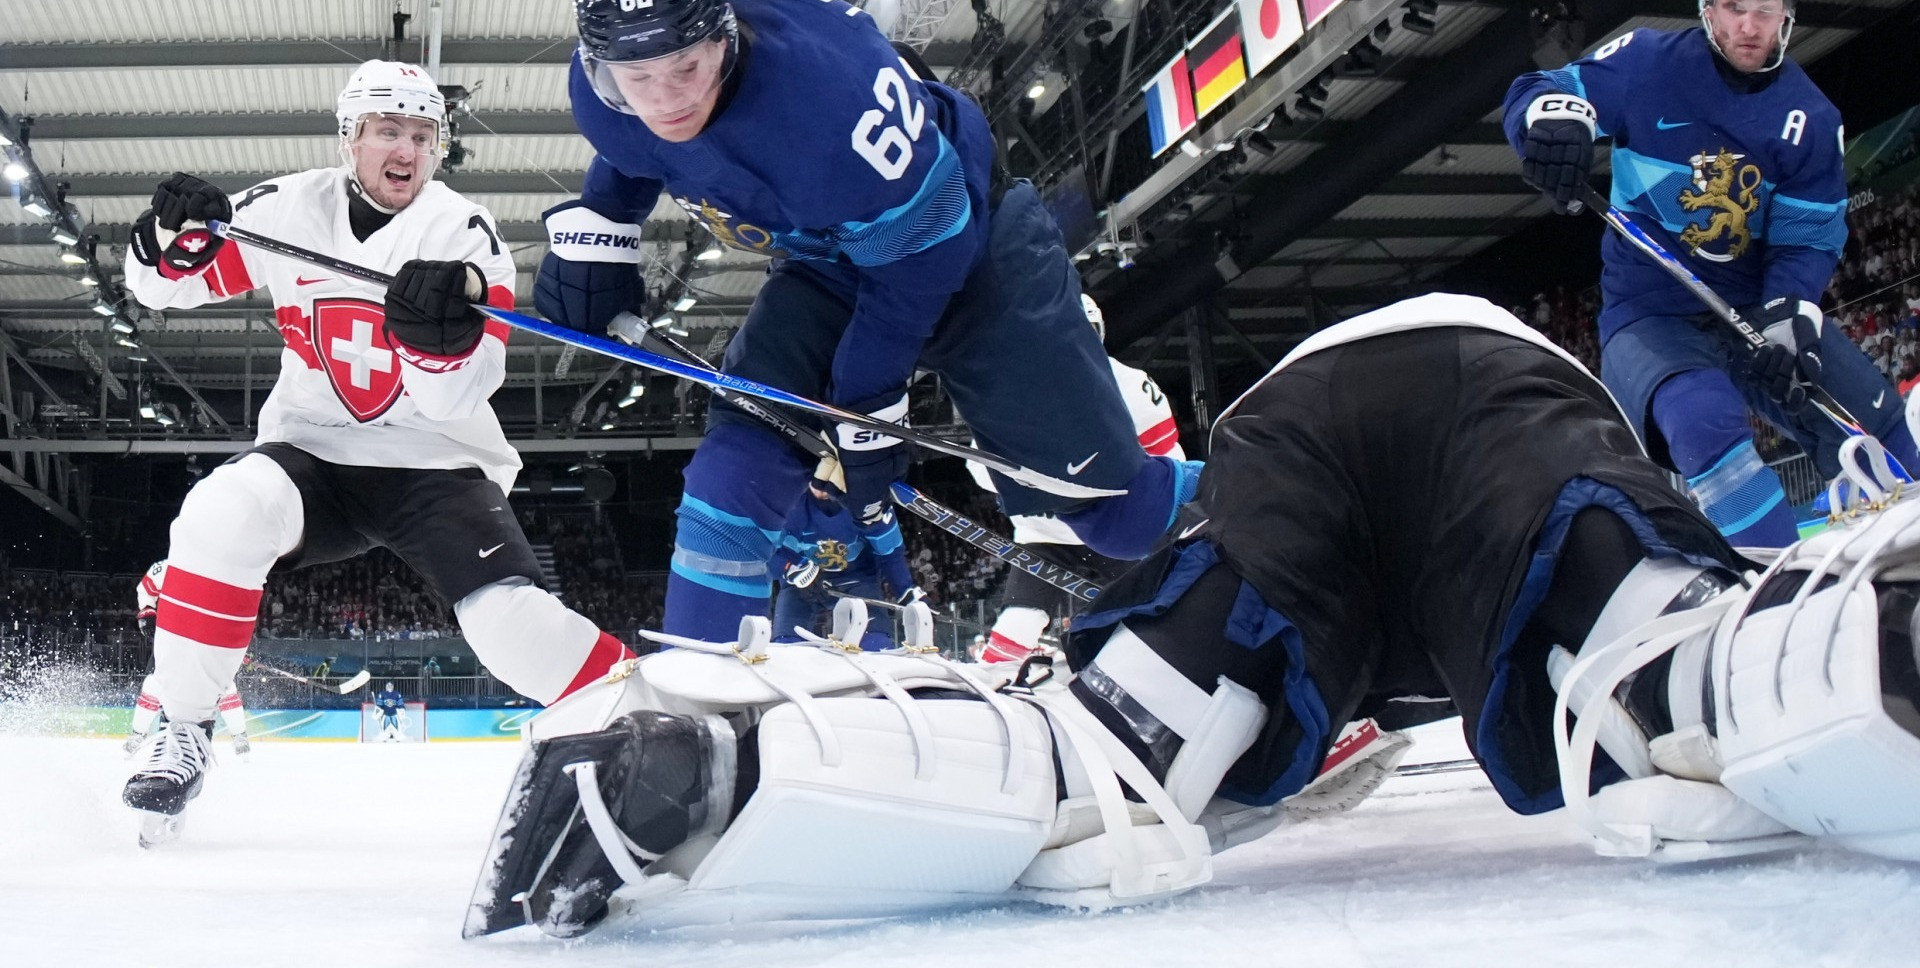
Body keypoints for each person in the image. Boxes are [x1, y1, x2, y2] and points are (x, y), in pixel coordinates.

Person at [464, 292, 1920, 939]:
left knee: (1115, 758)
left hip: (1329, 404)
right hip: (1492, 378)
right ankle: (1873, 637)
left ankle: (702, 764)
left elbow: (1105, 708)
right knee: (1668, 686)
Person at [533, 0, 1201, 643]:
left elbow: (928, 256)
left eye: (686, 68)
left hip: (970, 247)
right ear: (599, 63)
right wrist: (602, 230)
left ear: (723, 35)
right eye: (636, 78)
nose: (665, 100)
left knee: (1121, 517)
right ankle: (695, 706)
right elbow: (633, 153)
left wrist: (870, 401)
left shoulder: (826, 103)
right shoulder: (605, 94)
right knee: (736, 467)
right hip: (833, 258)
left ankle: (1297, 504)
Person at [118, 59, 634, 845]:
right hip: (311, 455)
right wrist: (165, 239)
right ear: (348, 137)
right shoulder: (287, 206)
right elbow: (162, 291)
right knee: (223, 509)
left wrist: (438, 344)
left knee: (510, 629)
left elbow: (456, 398)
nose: (408, 149)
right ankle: (181, 728)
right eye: (388, 131)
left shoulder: (464, 234)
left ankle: (649, 715)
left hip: (435, 461)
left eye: (424, 136)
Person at [1503, 0, 1920, 549]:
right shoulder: (1646, 64)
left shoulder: (1811, 120)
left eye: (1765, 6)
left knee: (1880, 422)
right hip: (1651, 315)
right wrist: (1549, 123)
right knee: (1704, 421)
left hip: (1753, 305)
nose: (1749, 25)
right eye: (1733, 6)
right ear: (1707, 5)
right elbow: (1544, 88)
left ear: (1786, 10)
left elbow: (1806, 237)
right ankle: (1770, 594)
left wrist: (1787, 320)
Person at [966, 294, 1187, 634]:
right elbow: (1167, 453)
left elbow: (1166, 453)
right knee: (1024, 616)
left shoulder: (1014, 391)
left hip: (1096, 526)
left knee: (1150, 615)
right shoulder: (1121, 380)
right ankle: (999, 671)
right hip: (1095, 528)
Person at [125, 561, 250, 759]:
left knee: (224, 686)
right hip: (171, 637)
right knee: (154, 684)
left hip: (206, 638)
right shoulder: (167, 567)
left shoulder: (219, 570)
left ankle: (239, 735)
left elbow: (230, 611)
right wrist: (147, 611)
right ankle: (137, 734)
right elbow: (146, 588)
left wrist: (232, 643)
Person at [768, 486, 918, 648]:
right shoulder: (790, 502)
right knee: (786, 647)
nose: (821, 484)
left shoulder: (868, 503)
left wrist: (907, 592)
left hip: (858, 583)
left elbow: (890, 553)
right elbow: (764, 550)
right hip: (802, 587)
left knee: (877, 646)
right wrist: (792, 568)